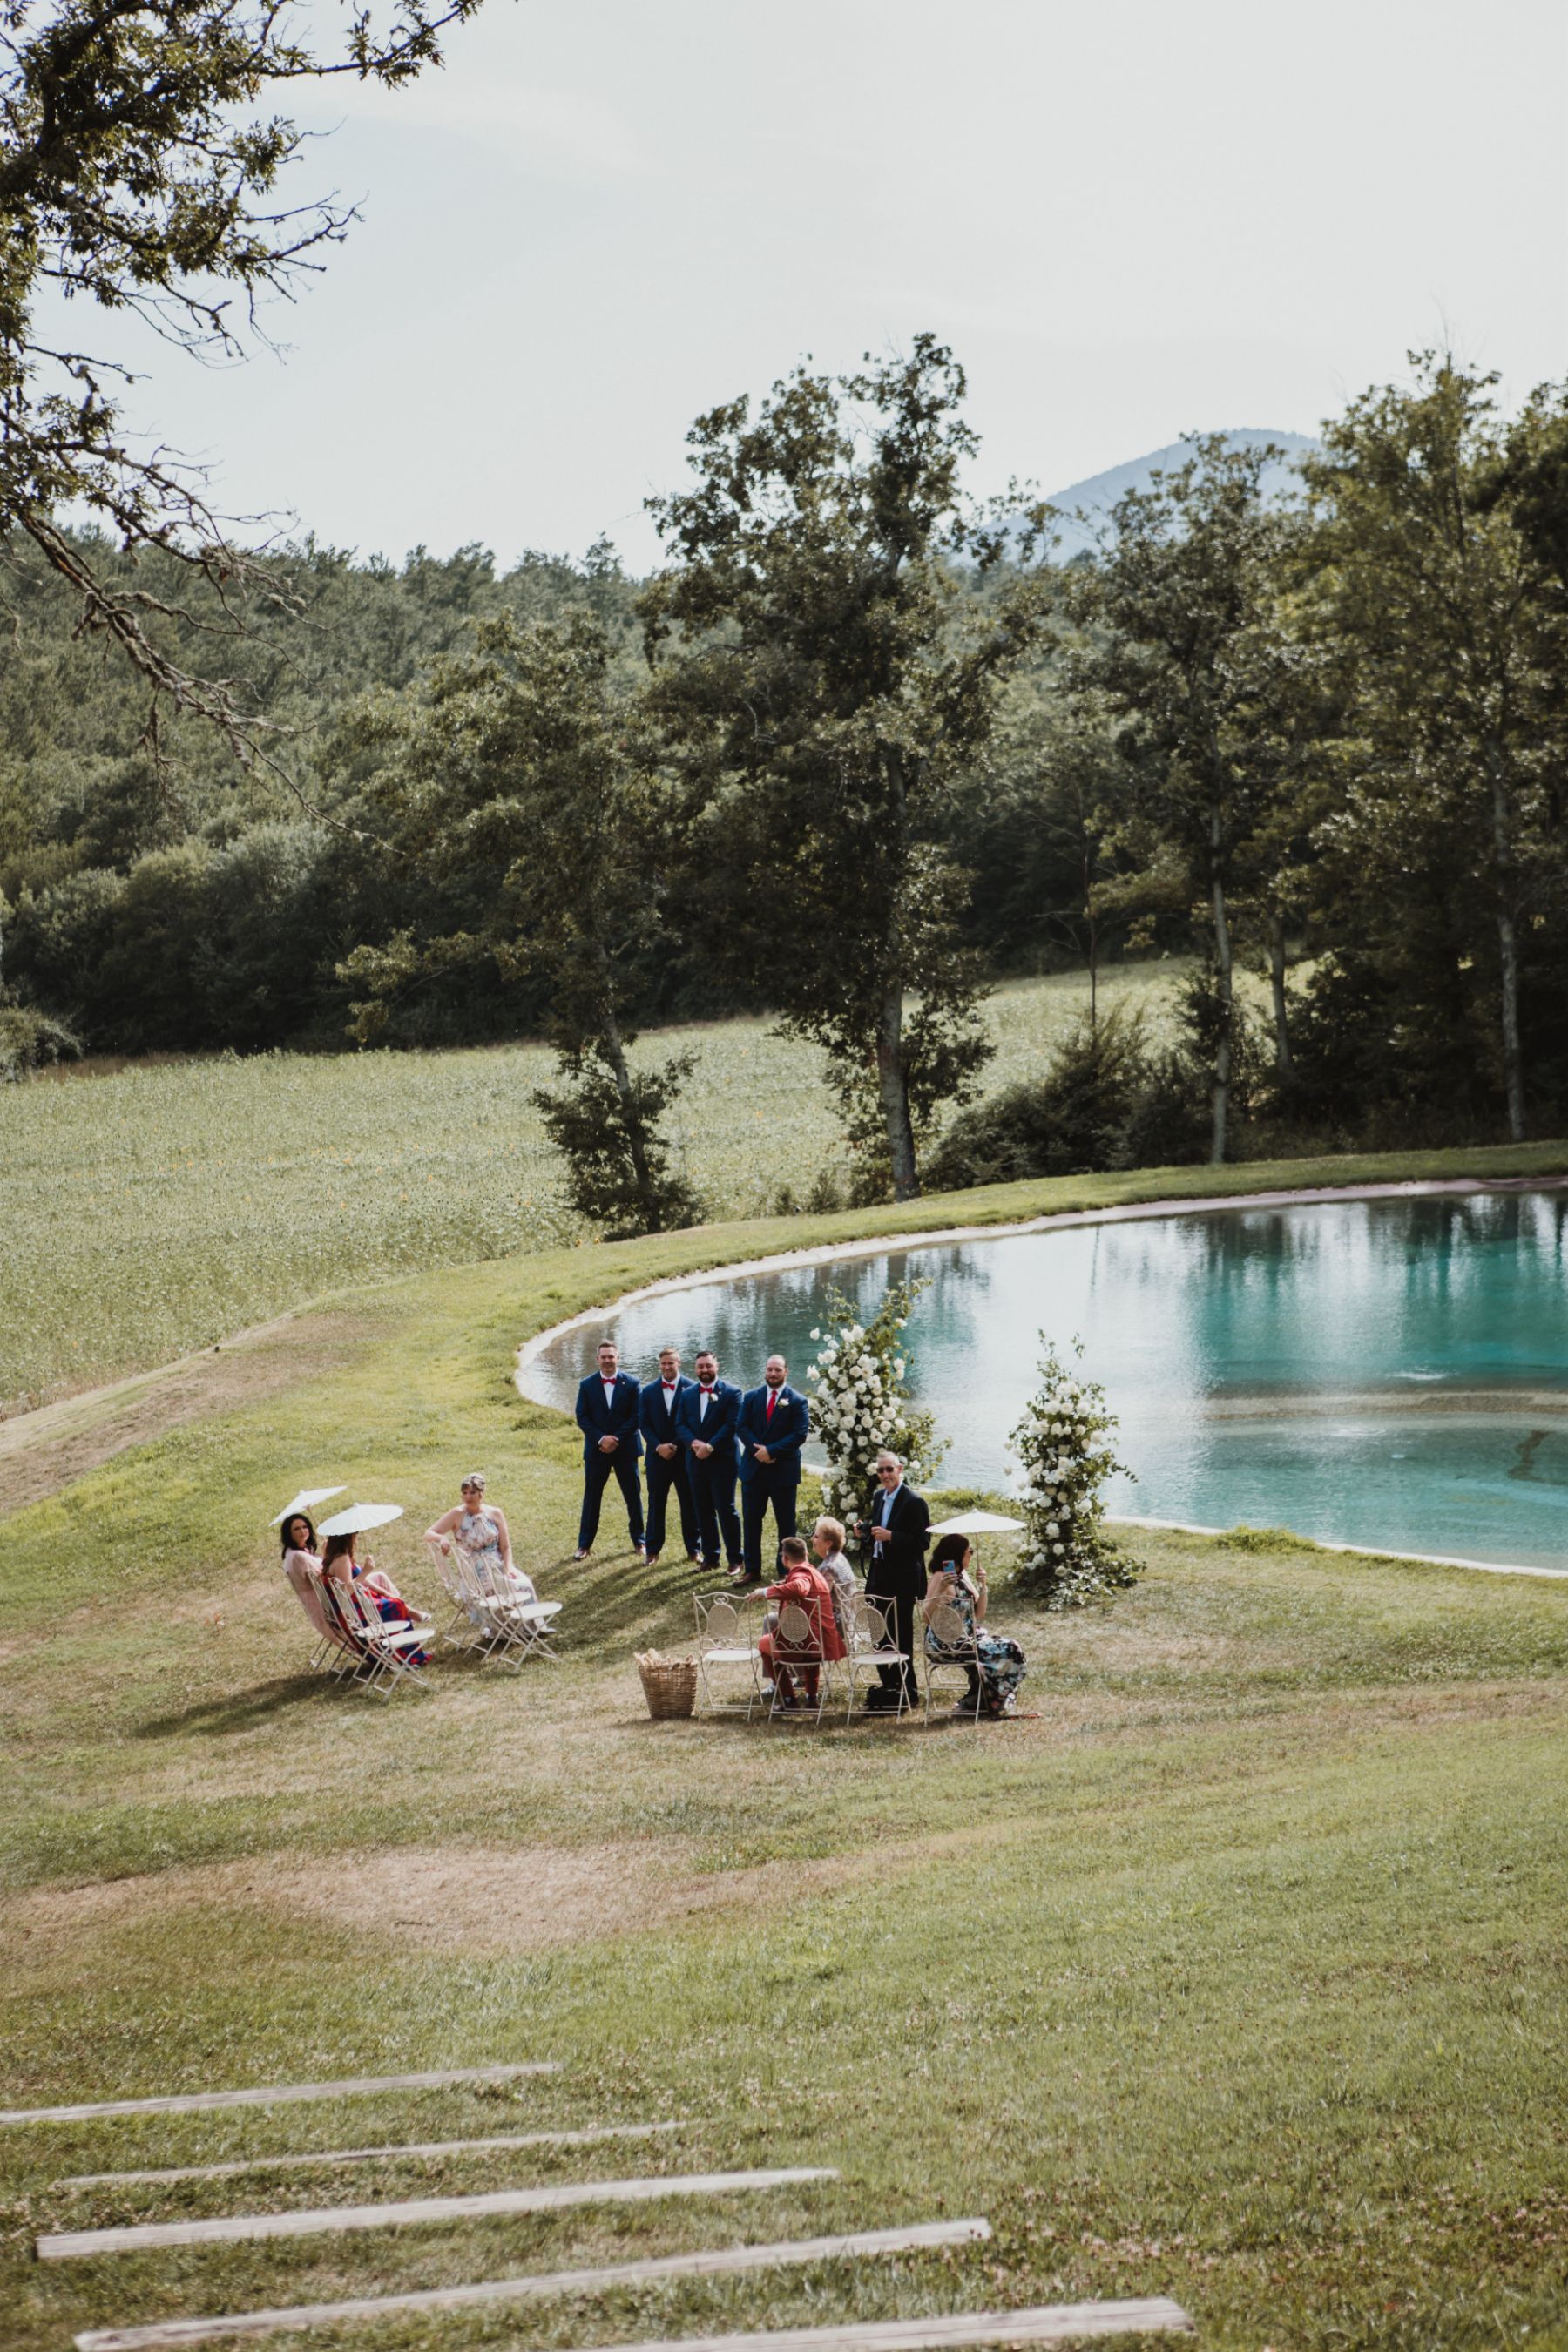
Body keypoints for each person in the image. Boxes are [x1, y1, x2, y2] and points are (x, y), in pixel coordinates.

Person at [854, 1449, 930, 1712]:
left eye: (890, 1469)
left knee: (901, 1636)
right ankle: (889, 1687)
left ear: (900, 1470)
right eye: (881, 1470)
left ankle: (909, 1691)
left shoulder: (914, 1501)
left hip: (902, 1579)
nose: (885, 1474)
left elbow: (923, 1542)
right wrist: (865, 1532)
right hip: (878, 1574)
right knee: (878, 1633)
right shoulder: (879, 1497)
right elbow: (877, 1529)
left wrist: (892, 1537)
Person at [923, 1531, 1026, 1717]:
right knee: (1009, 1648)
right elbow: (925, 1616)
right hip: (946, 1641)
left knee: (1010, 1646)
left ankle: (986, 1697)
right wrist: (940, 1590)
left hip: (968, 1637)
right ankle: (990, 1698)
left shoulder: (963, 1576)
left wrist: (983, 1585)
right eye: (969, 1551)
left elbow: (980, 1612)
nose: (971, 1554)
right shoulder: (940, 1576)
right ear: (958, 1554)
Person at [746, 1535, 846, 1709]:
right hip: (822, 1641)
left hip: (806, 1643)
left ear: (785, 1559)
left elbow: (800, 1588)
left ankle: (789, 1699)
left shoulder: (801, 1573)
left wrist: (765, 1591)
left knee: (764, 1644)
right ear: (806, 1553)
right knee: (803, 1640)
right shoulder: (815, 1572)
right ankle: (811, 1698)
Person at [734, 1353, 809, 1585]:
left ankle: (786, 1570)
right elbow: (741, 1426)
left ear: (786, 1372)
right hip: (754, 1469)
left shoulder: (797, 1400)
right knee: (751, 1520)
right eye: (769, 1370)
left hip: (782, 1471)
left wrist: (772, 1451)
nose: (773, 1374)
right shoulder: (752, 1397)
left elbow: (799, 1434)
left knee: (785, 1523)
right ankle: (752, 1569)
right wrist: (760, 1451)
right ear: (765, 1371)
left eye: (778, 1370)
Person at [573, 1338, 645, 1560]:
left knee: (633, 1496)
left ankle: (640, 1541)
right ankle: (584, 1545)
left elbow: (637, 1416)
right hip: (597, 1451)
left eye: (611, 1357)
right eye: (603, 1357)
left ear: (618, 1358)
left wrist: (616, 1439)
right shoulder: (587, 1384)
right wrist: (601, 1439)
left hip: (625, 1450)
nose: (607, 1361)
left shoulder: (632, 1383)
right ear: (597, 1359)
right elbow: (582, 1417)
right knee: (592, 1497)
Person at [674, 1348, 743, 1574]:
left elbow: (731, 1425)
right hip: (695, 1460)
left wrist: (710, 1446)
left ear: (717, 1366)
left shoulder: (733, 1393)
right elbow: (680, 1424)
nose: (705, 1370)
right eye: (701, 1366)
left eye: (708, 1365)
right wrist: (694, 1444)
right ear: (695, 1369)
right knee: (702, 1510)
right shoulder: (687, 1394)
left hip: (723, 1461)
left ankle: (735, 1558)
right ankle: (711, 1556)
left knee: (725, 1509)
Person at [425, 1475, 537, 1612]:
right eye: (465, 1493)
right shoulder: (457, 1514)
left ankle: (529, 1628)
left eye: (472, 1493)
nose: (468, 1497)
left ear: (481, 1493)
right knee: (501, 1591)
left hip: (497, 1565)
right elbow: (429, 1533)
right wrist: (442, 1538)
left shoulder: (495, 1513)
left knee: (523, 1585)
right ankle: (501, 1629)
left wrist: (509, 1568)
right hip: (474, 1570)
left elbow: (505, 1546)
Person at [321, 1530, 431, 1664]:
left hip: (351, 1609)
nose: (356, 1540)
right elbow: (347, 1592)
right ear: (348, 1538)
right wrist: (366, 1571)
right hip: (354, 1613)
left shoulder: (333, 1557)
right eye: (355, 1536)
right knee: (396, 1607)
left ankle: (400, 1653)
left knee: (393, 1601)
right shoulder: (342, 1559)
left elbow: (359, 1580)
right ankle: (408, 1658)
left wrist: (384, 1592)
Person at [639, 1346, 700, 1564]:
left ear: (679, 1363)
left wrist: (674, 1444)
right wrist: (658, 1446)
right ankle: (652, 1550)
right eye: (663, 1363)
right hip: (657, 1458)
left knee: (689, 1503)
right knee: (656, 1504)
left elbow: (692, 1422)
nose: (667, 1367)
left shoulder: (692, 1388)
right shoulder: (647, 1391)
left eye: (671, 1363)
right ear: (659, 1365)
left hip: (683, 1456)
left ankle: (694, 1549)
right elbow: (643, 1424)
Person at [810, 1515, 856, 1639]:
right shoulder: (840, 1558)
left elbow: (815, 1600)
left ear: (828, 1543)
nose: (812, 1539)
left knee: (772, 1620)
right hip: (850, 1621)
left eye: (816, 1537)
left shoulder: (828, 1567)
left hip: (835, 1627)